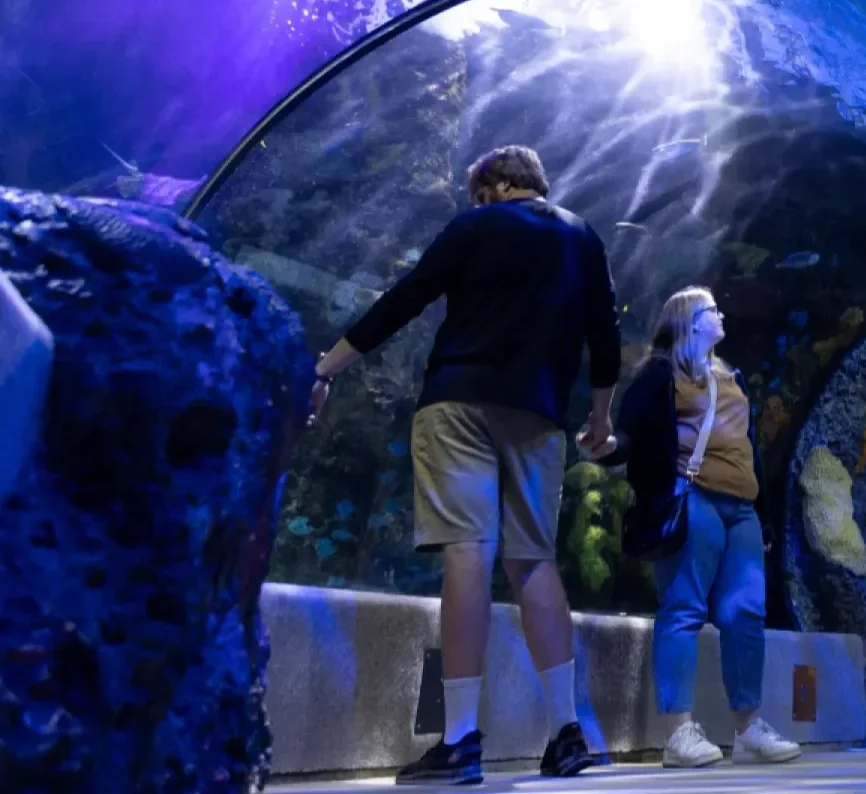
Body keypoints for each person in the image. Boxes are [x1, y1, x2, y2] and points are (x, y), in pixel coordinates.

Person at [310, 145, 621, 785]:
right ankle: (566, 735)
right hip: (537, 415)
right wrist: (601, 413)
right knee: (532, 560)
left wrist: (325, 369)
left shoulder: (475, 225)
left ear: (495, 186)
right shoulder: (581, 234)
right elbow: (604, 330)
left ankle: (459, 742)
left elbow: (407, 298)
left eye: (479, 193)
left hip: (457, 403)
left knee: (467, 554)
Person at [606, 287, 801, 769]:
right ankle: (678, 733)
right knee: (684, 609)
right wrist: (607, 448)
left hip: (742, 509)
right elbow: (628, 429)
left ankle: (748, 727)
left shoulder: (729, 375)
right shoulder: (661, 371)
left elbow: (747, 447)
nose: (721, 314)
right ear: (689, 322)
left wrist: (765, 516)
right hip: (692, 499)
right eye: (711, 310)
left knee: (746, 615)